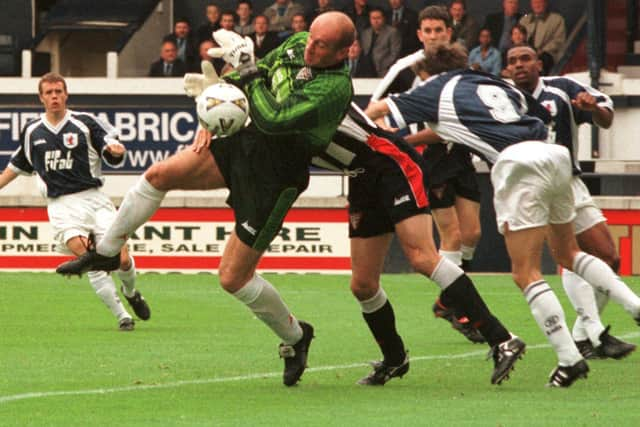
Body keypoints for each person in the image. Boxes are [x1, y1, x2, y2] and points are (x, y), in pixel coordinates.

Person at [57, 12, 356, 388]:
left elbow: (276, 118)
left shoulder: (336, 88)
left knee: (233, 278)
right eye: (311, 37)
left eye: (322, 45)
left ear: (347, 50)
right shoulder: (299, 44)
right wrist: (216, 99)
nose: (309, 46)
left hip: (276, 176)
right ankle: (108, 248)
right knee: (158, 175)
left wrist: (246, 74)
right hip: (246, 144)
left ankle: (297, 338)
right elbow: (258, 75)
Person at [365, 42, 640, 387]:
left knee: (525, 272)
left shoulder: (433, 88)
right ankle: (633, 304)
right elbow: (531, 115)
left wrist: (376, 131)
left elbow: (378, 109)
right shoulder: (494, 83)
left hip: (516, 164)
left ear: (426, 73)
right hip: (555, 156)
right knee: (569, 253)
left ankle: (570, 360)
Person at [314, 103, 526, 386]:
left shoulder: (301, 87)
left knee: (422, 257)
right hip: (361, 177)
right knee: (362, 285)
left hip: (392, 163)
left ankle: (502, 339)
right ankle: (394, 359)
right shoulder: (266, 112)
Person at [506, 45, 637, 360]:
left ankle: (582, 335)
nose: (519, 65)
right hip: (534, 190)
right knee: (569, 256)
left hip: (571, 183)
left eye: (525, 58)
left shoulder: (562, 90)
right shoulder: (502, 100)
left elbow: (605, 118)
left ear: (539, 63)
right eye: (512, 61)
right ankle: (595, 330)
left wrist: (593, 108)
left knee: (609, 258)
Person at [0, 73, 151, 331]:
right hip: (61, 206)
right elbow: (15, 166)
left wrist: (117, 152)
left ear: (66, 94)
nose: (54, 96)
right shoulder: (32, 131)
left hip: (95, 200)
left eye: (59, 91)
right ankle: (122, 316)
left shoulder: (85, 123)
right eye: (49, 93)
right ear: (41, 97)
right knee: (88, 258)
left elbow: (111, 148)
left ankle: (131, 292)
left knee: (122, 260)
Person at [370, 5, 485, 343]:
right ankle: (461, 308)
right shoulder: (406, 67)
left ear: (451, 31)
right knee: (450, 235)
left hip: (459, 153)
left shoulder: (463, 66)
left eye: (440, 30)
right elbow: (373, 107)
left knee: (473, 234)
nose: (434, 36)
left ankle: (448, 301)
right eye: (428, 31)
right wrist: (398, 142)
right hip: (428, 157)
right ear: (419, 34)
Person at [518, 0, 565, 75]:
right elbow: (518, 38)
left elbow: (558, 41)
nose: (537, 5)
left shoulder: (557, 19)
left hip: (546, 54)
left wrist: (542, 51)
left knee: (543, 59)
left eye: (540, 2)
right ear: (531, 4)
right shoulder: (524, 20)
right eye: (535, 2)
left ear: (545, 3)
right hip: (526, 52)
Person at [359, 8, 401, 77]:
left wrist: (382, 65)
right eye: (373, 18)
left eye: (378, 18)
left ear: (384, 18)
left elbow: (395, 54)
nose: (376, 21)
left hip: (384, 69)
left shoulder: (393, 32)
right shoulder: (365, 33)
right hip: (366, 69)